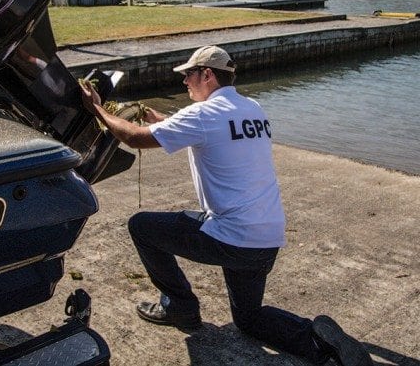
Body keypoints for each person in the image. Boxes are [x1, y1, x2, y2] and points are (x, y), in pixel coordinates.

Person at [80, 45, 372, 366]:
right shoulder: (253, 108)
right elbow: (214, 133)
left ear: (207, 74)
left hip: (232, 238)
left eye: (189, 75)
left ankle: (180, 308)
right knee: (249, 320)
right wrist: (162, 120)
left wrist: (98, 110)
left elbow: (134, 137)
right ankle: (320, 341)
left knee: (142, 226)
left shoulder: (202, 115)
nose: (185, 82)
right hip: (266, 239)